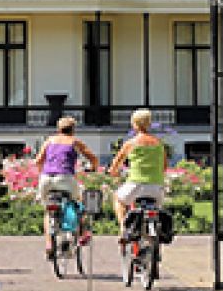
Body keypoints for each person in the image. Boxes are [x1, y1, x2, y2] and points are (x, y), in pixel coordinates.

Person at [35, 116, 99, 260]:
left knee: (48, 210)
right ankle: (82, 232)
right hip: (65, 178)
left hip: (46, 179)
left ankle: (49, 245)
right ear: (73, 129)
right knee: (79, 202)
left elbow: (38, 160)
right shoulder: (74, 142)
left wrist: (43, 172)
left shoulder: (49, 140)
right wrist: (93, 168)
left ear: (58, 129)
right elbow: (93, 158)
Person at [108, 108, 167, 234]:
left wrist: (114, 172)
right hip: (156, 187)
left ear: (134, 124)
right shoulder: (159, 144)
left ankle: (123, 229)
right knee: (157, 208)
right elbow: (164, 167)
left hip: (135, 185)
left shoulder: (130, 143)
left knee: (118, 199)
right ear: (149, 123)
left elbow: (115, 165)